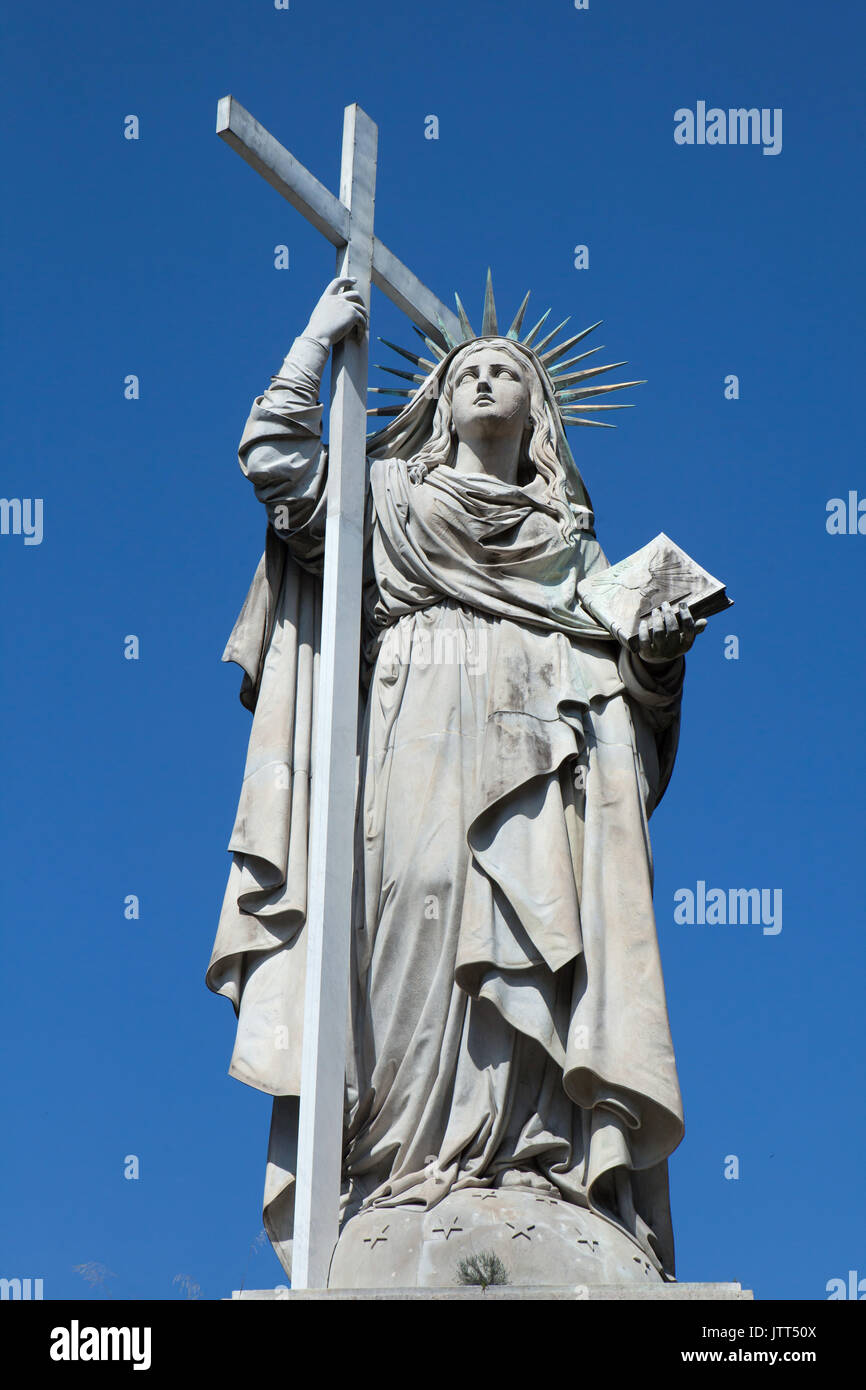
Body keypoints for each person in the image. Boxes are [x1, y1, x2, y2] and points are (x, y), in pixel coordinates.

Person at [207, 277, 704, 1281]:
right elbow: (277, 464)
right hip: (415, 733)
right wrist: (314, 344)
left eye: (504, 371)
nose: (483, 377)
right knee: (417, 919)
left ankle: (534, 1162)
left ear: (537, 412)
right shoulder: (388, 500)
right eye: (466, 370)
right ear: (437, 404)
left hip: (541, 749)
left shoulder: (570, 547)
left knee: (540, 944)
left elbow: (631, 692)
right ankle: (400, 1162)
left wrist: (655, 650)